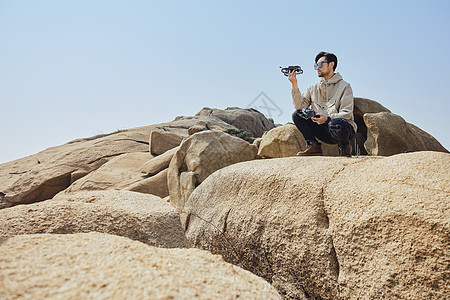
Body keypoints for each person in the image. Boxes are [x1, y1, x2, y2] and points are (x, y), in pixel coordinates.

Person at [288, 51, 357, 157]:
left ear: (331, 64)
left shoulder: (345, 86)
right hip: (322, 129)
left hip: (340, 130)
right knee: (297, 114)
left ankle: (345, 148)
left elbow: (347, 113)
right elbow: (299, 106)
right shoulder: (313, 88)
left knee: (338, 123)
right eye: (315, 65)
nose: (317, 68)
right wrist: (294, 85)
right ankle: (314, 146)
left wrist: (328, 118)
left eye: (320, 64)